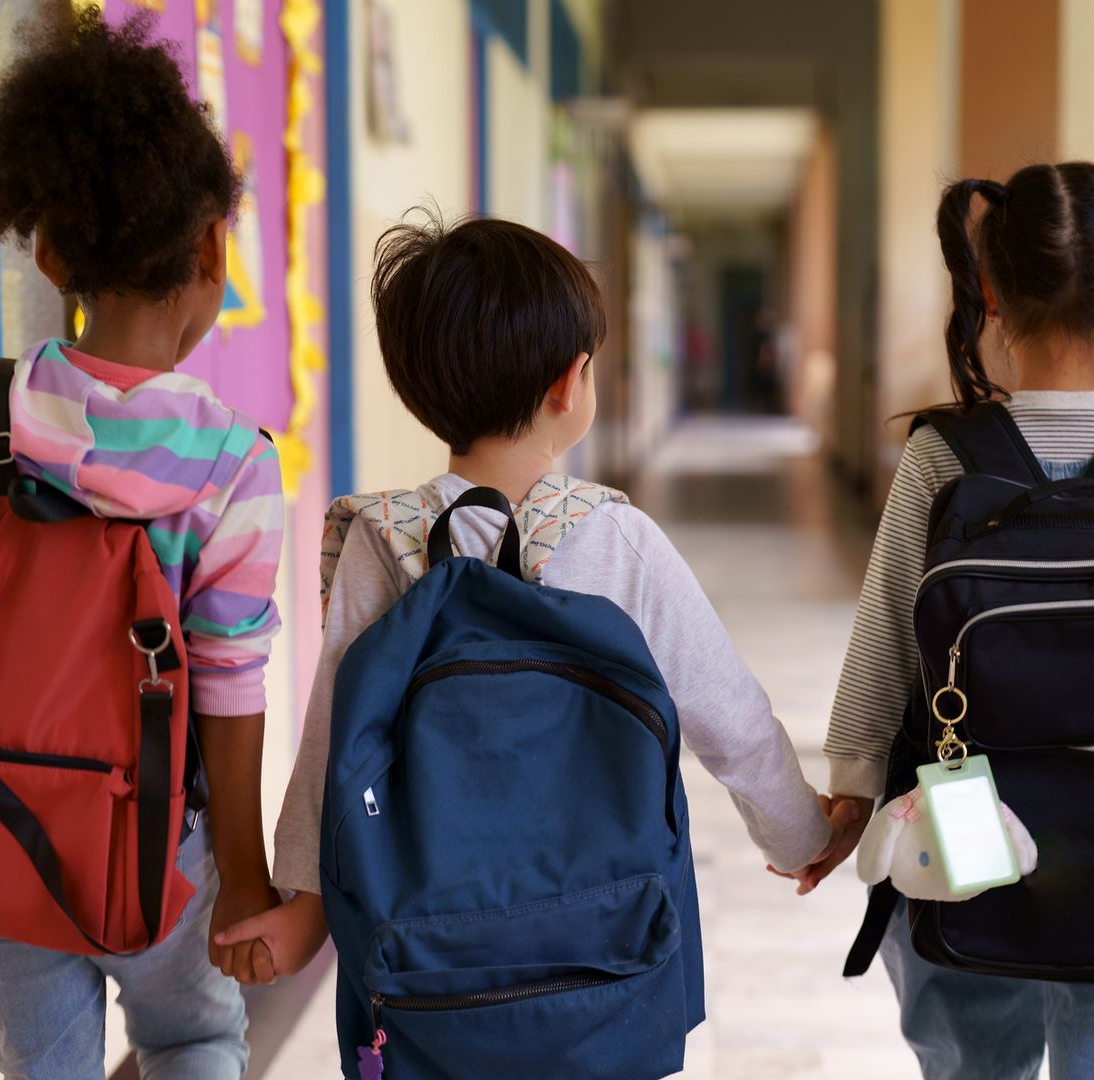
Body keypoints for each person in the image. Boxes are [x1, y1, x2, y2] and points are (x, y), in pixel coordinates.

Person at [214, 213, 838, 976]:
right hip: (603, 941)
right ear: (569, 383)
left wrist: (306, 907)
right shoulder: (618, 538)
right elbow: (730, 719)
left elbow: (333, 744)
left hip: (427, 951)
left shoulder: (378, 540)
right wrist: (803, 836)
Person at [799, 163, 1094, 1079]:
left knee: (974, 1047)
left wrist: (854, 789)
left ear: (987, 291)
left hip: (966, 823)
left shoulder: (946, 455)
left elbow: (886, 641)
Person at [0, 9, 283, 1077]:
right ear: (214, 248)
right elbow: (232, 684)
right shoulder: (230, 461)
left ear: (47, 250)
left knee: (39, 1061)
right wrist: (241, 874)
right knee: (193, 1037)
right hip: (157, 842)